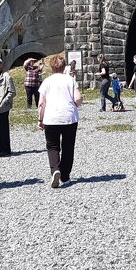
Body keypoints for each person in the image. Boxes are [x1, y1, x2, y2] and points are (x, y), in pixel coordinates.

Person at [39, 55, 82, 188]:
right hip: (69, 117)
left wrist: (40, 119)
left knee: (52, 146)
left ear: (51, 67)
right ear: (64, 67)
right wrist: (76, 104)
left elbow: (41, 103)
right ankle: (65, 176)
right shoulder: (70, 80)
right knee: (68, 147)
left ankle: (55, 170)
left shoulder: (46, 81)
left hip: (51, 118)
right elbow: (78, 98)